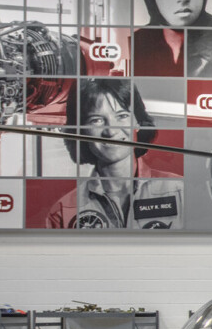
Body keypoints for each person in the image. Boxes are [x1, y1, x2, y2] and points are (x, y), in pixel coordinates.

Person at [46, 79, 181, 229]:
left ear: (137, 123)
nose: (111, 131)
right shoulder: (63, 211)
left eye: (122, 116)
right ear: (80, 131)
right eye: (96, 120)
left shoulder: (179, 189)